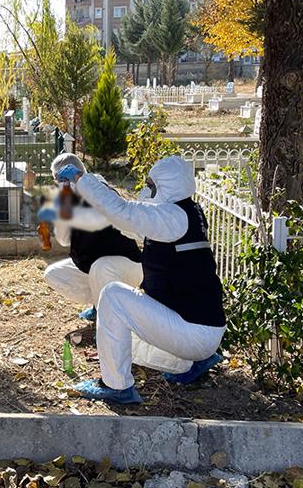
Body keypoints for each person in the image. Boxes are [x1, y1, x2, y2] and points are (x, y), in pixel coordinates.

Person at [55, 155, 226, 404]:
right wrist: (82, 192)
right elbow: (129, 225)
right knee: (120, 343)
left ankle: (116, 387)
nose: (146, 189)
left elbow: (123, 212)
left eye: (151, 185)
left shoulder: (173, 216)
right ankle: (189, 364)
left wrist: (81, 179)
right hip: (199, 329)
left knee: (113, 295)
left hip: (193, 330)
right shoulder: (184, 212)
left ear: (166, 186)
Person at [38, 154, 143, 322]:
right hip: (96, 267)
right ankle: (99, 305)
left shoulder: (100, 189)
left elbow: (129, 224)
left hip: (126, 265)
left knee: (100, 267)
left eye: (57, 179)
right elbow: (64, 240)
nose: (57, 184)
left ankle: (110, 320)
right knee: (54, 274)